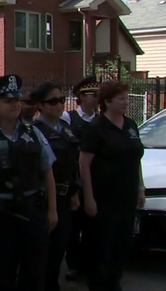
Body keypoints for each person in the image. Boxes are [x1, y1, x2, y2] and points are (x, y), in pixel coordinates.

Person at [0, 74, 58, 291]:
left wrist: (52, 210)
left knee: (34, 274)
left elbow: (48, 172)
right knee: (2, 275)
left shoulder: (34, 133)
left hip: (32, 212)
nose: (15, 104)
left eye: (17, 100)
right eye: (8, 101)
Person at [78, 80, 145, 291]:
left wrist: (141, 188)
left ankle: (114, 281)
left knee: (122, 242)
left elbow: (136, 158)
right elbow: (84, 163)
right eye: (121, 98)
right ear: (107, 101)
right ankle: (99, 284)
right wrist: (88, 198)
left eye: (127, 97)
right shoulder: (96, 128)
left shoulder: (131, 125)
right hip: (103, 197)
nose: (126, 102)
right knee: (101, 244)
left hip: (127, 194)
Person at [31, 82, 81, 291]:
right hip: (44, 198)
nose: (59, 105)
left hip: (65, 195)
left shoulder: (65, 128)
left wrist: (75, 192)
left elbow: (74, 162)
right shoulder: (34, 130)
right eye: (52, 101)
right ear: (40, 105)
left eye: (61, 100)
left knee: (60, 247)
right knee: (43, 250)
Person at [61, 76, 98, 281]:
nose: (95, 98)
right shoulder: (69, 117)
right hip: (76, 177)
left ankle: (90, 262)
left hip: (95, 178)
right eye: (92, 94)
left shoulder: (100, 120)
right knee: (74, 225)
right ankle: (74, 264)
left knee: (92, 224)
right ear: (81, 97)